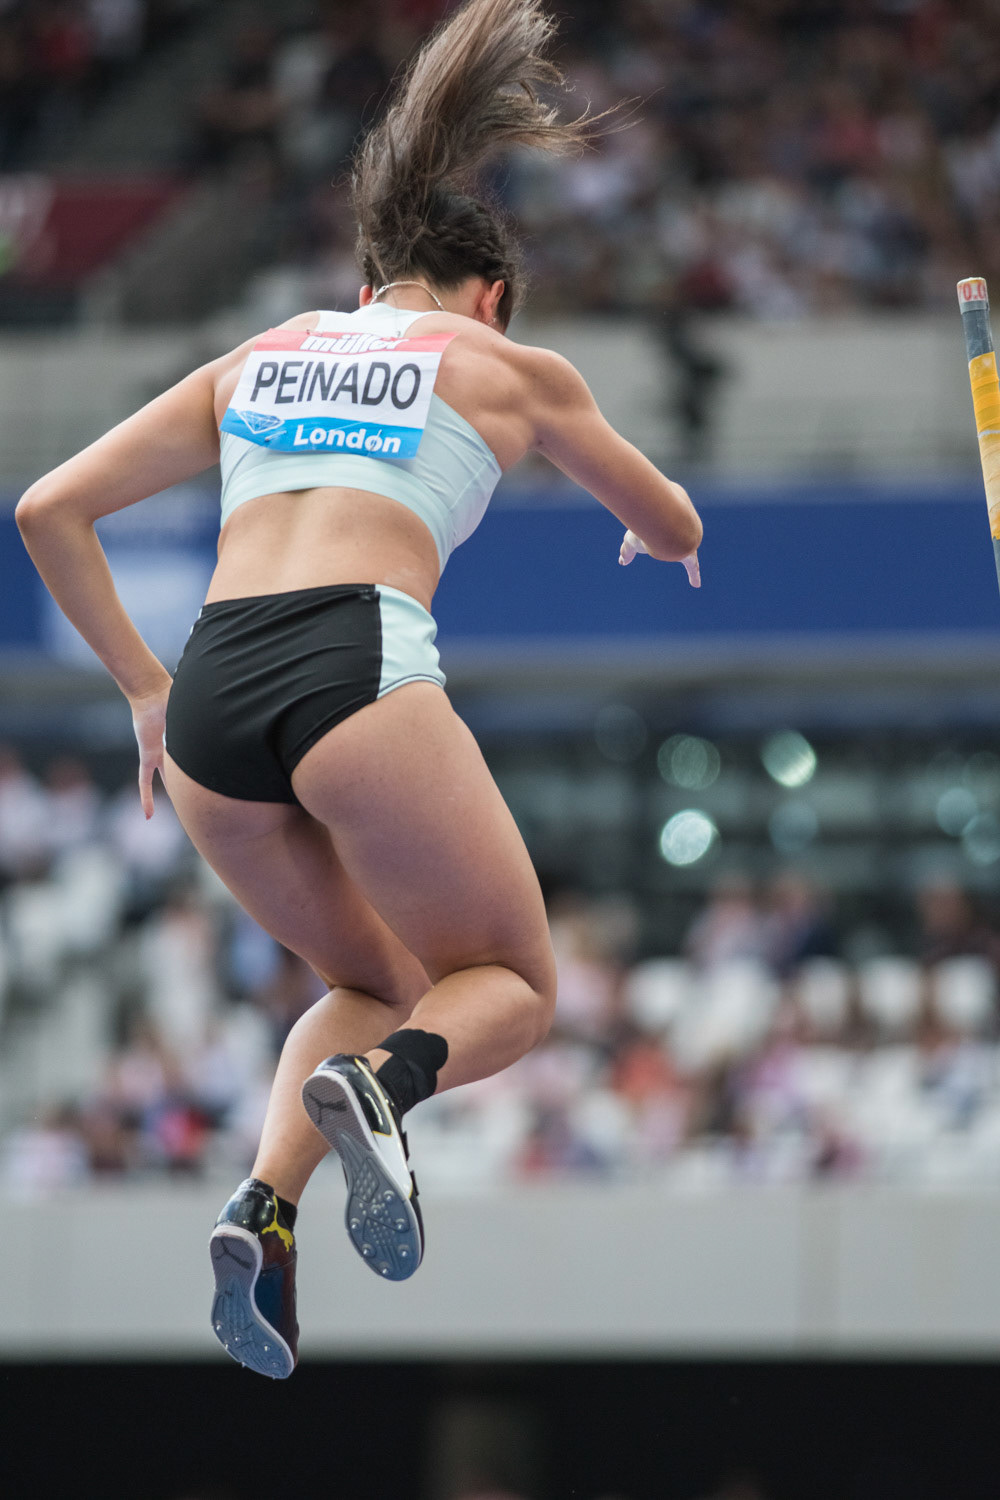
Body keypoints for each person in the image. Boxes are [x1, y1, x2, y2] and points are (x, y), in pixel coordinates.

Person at [16, 0, 702, 1380]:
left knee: (368, 978)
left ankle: (264, 1207)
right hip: (354, 658)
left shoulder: (256, 356)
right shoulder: (508, 366)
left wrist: (145, 694)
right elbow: (677, 519)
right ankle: (382, 1091)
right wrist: (652, 531)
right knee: (504, 976)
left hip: (211, 697)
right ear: (490, 293)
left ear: (376, 275)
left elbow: (47, 507)